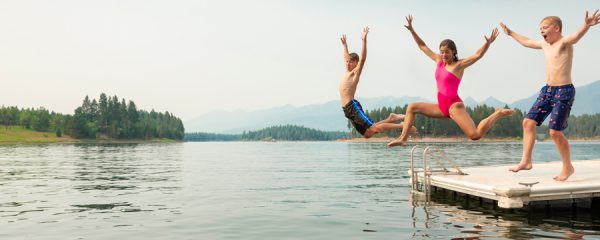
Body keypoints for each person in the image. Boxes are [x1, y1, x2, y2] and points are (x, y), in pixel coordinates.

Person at [502, 10, 600, 181]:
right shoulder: (544, 44)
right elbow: (526, 41)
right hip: (547, 91)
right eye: (540, 28)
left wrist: (586, 25)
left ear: (556, 28)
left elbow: (575, 37)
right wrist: (511, 33)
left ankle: (567, 167)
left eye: (545, 28)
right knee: (527, 122)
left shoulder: (564, 42)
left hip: (564, 91)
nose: (541, 31)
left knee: (554, 133)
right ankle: (526, 161)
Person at [388, 15, 514, 147]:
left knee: (475, 135)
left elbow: (478, 55)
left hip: (454, 106)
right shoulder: (439, 61)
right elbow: (422, 46)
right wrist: (412, 31)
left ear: (453, 52)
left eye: (446, 52)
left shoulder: (459, 65)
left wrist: (487, 43)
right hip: (442, 107)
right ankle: (403, 138)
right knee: (412, 107)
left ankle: (497, 113)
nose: (443, 55)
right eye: (441, 52)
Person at [340, 27, 415, 138]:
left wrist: (364, 41)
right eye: (347, 61)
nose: (348, 63)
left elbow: (363, 59)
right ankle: (391, 118)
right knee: (368, 134)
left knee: (374, 128)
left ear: (356, 63)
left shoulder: (355, 73)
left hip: (352, 106)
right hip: (347, 110)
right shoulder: (347, 70)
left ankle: (402, 126)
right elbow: (346, 57)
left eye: (351, 61)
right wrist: (345, 46)